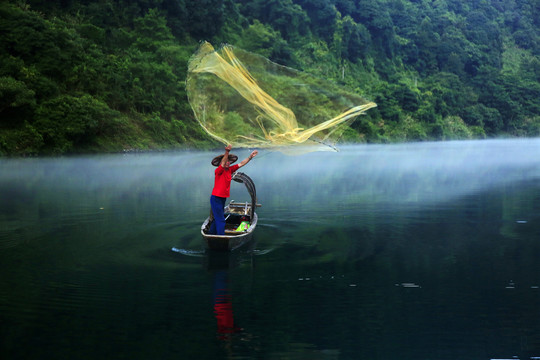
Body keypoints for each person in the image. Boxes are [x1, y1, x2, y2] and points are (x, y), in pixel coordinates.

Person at [209, 145, 258, 235]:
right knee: (221, 220)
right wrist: (227, 151)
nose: (228, 162)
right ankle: (221, 238)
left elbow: (241, 164)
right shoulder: (219, 171)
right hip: (216, 198)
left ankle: (211, 234)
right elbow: (222, 164)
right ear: (222, 163)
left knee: (217, 218)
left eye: (228, 161)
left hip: (222, 198)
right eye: (226, 161)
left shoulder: (230, 170)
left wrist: (250, 157)